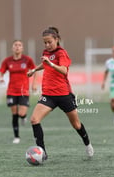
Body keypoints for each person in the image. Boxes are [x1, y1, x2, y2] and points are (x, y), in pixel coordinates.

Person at [27, 27, 94, 159]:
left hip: (64, 95)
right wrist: (34, 70)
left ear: (57, 40)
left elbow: (63, 70)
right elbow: (44, 64)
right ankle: (42, 153)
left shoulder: (62, 53)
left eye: (49, 42)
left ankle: (87, 144)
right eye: (45, 42)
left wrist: (50, 63)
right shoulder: (46, 52)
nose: (47, 45)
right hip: (48, 95)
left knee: (76, 124)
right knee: (34, 120)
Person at [0, 40, 37, 144]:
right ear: (12, 48)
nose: (17, 47)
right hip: (11, 90)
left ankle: (23, 117)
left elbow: (35, 71)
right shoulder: (7, 61)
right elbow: (1, 71)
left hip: (23, 91)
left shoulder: (27, 60)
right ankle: (16, 137)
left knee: (21, 113)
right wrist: (1, 78)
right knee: (14, 113)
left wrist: (34, 84)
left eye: (19, 45)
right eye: (15, 45)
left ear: (22, 48)